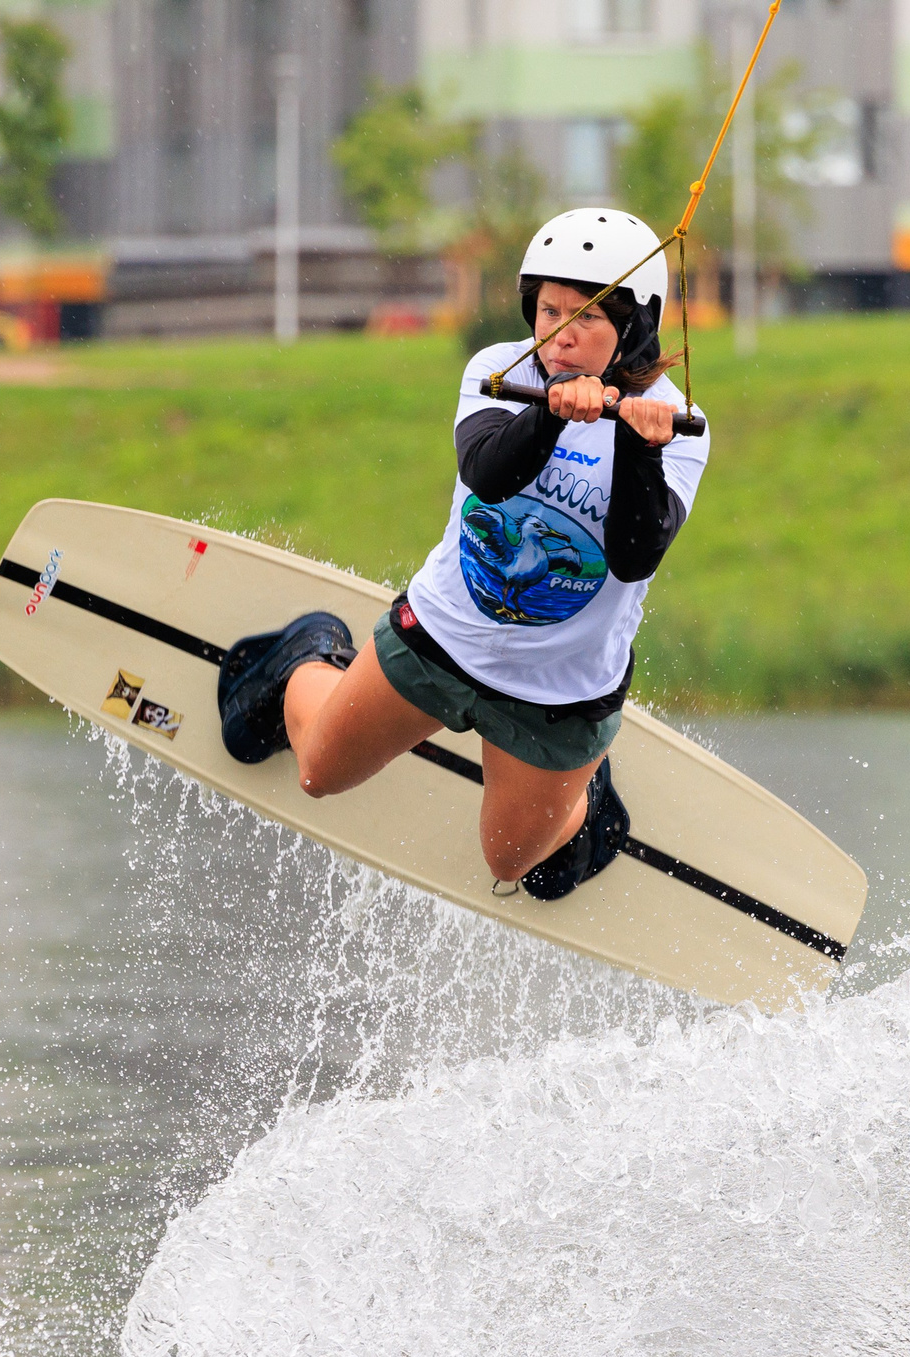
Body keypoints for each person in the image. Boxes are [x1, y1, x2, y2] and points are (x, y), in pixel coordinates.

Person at [213, 208, 709, 901]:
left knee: (510, 863)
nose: (560, 336)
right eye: (549, 311)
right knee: (318, 771)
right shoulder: (496, 372)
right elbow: (489, 472)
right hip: (443, 636)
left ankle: (585, 800)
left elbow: (632, 555)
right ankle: (306, 654)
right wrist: (551, 411)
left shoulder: (678, 425)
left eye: (586, 318)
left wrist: (638, 446)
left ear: (637, 327)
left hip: (562, 693)